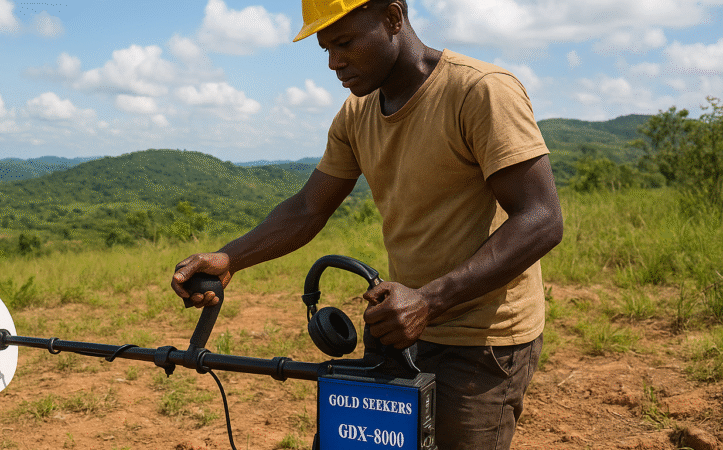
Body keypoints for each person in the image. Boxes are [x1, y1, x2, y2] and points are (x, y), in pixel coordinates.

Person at [171, 0, 564, 448]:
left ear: (393, 18)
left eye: (345, 43)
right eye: (326, 49)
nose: (334, 62)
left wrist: (429, 301)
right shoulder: (356, 115)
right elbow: (307, 208)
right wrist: (230, 258)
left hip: (482, 340)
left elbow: (542, 219)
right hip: (400, 328)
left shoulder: (481, 91)